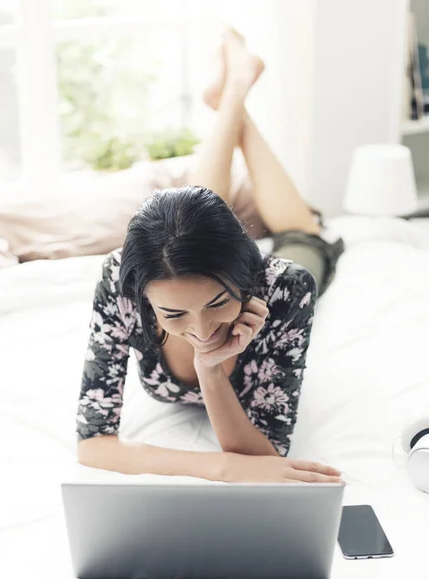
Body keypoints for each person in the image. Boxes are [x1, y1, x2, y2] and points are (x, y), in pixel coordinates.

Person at [76, 27, 345, 485]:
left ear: (245, 281)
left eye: (218, 305)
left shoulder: (286, 286)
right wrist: (219, 467)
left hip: (272, 263)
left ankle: (236, 88)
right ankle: (236, 87)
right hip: (203, 256)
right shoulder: (121, 281)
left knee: (302, 232)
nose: (201, 331)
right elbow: (92, 444)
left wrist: (211, 373)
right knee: (188, 224)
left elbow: (267, 453)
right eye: (173, 313)